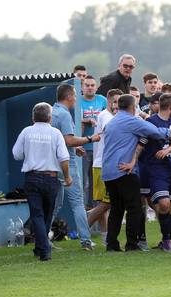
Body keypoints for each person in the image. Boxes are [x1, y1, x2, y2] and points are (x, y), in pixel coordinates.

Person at [102, 94, 171, 252]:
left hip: (108, 170)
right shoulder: (132, 121)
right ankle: (132, 244)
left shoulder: (112, 121)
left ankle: (112, 244)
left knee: (116, 209)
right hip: (124, 169)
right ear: (133, 107)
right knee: (135, 208)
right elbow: (156, 132)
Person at [12, 103, 72, 261]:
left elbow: (17, 154)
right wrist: (67, 176)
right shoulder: (56, 133)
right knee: (47, 214)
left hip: (32, 177)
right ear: (50, 118)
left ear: (33, 117)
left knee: (37, 214)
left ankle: (41, 247)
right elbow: (64, 158)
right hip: (51, 177)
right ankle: (44, 248)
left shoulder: (26, 131)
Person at [51, 84, 99, 251]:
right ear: (70, 96)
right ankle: (86, 241)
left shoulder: (51, 111)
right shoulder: (64, 115)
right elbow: (68, 140)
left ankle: (43, 240)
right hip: (66, 165)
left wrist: (74, 147)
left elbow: (59, 141)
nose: (76, 100)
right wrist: (90, 139)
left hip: (51, 165)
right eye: (75, 96)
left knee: (55, 205)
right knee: (77, 203)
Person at [139, 94, 171, 251]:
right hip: (156, 168)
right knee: (163, 204)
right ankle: (166, 241)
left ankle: (168, 240)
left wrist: (168, 151)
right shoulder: (150, 122)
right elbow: (141, 144)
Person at [87, 89, 122, 246]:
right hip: (103, 165)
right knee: (107, 203)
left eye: (120, 102)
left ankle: (105, 238)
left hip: (104, 164)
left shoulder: (112, 116)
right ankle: (81, 229)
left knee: (104, 204)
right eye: (115, 101)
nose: (117, 105)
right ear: (108, 101)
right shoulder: (105, 117)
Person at [80, 76, 107, 210]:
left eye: (92, 85)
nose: (90, 88)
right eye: (87, 85)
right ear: (82, 87)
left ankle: (97, 214)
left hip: (99, 148)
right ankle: (84, 211)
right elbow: (74, 118)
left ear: (96, 87)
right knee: (84, 183)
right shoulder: (78, 101)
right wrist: (86, 120)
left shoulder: (102, 100)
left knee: (96, 183)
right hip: (83, 147)